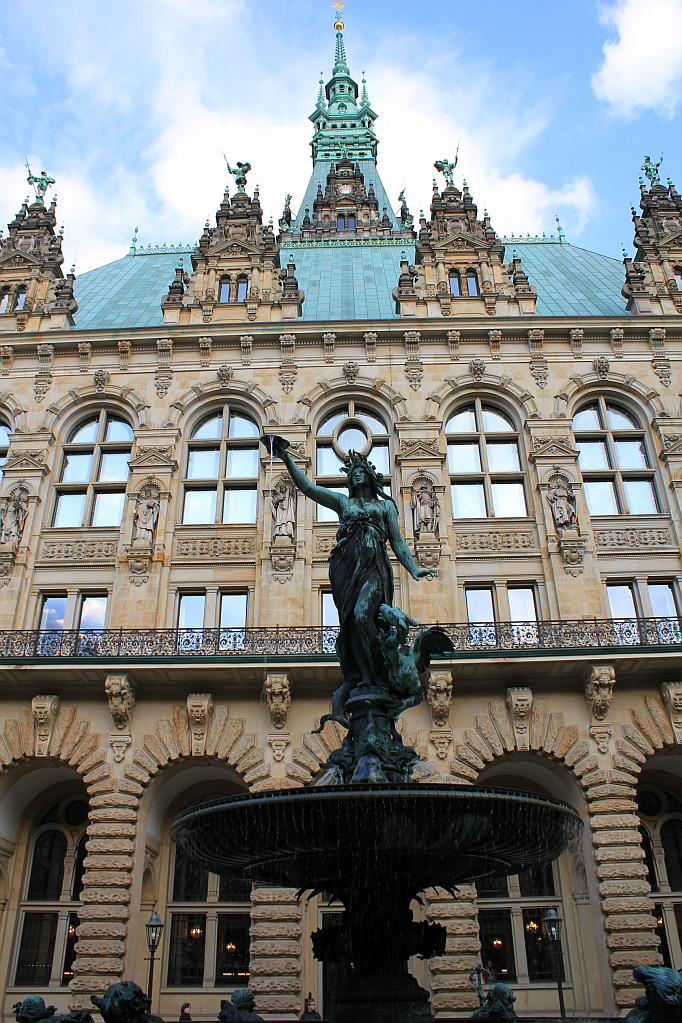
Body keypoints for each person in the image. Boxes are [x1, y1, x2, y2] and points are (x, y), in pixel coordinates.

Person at [261, 436, 433, 722]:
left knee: (363, 615)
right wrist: (284, 457)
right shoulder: (343, 503)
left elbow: (398, 541)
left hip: (375, 567)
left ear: (368, 475)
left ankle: (379, 664)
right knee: (351, 622)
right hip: (346, 568)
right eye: (350, 473)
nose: (354, 475)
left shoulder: (385, 507)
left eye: (359, 471)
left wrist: (413, 568)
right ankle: (365, 675)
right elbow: (308, 488)